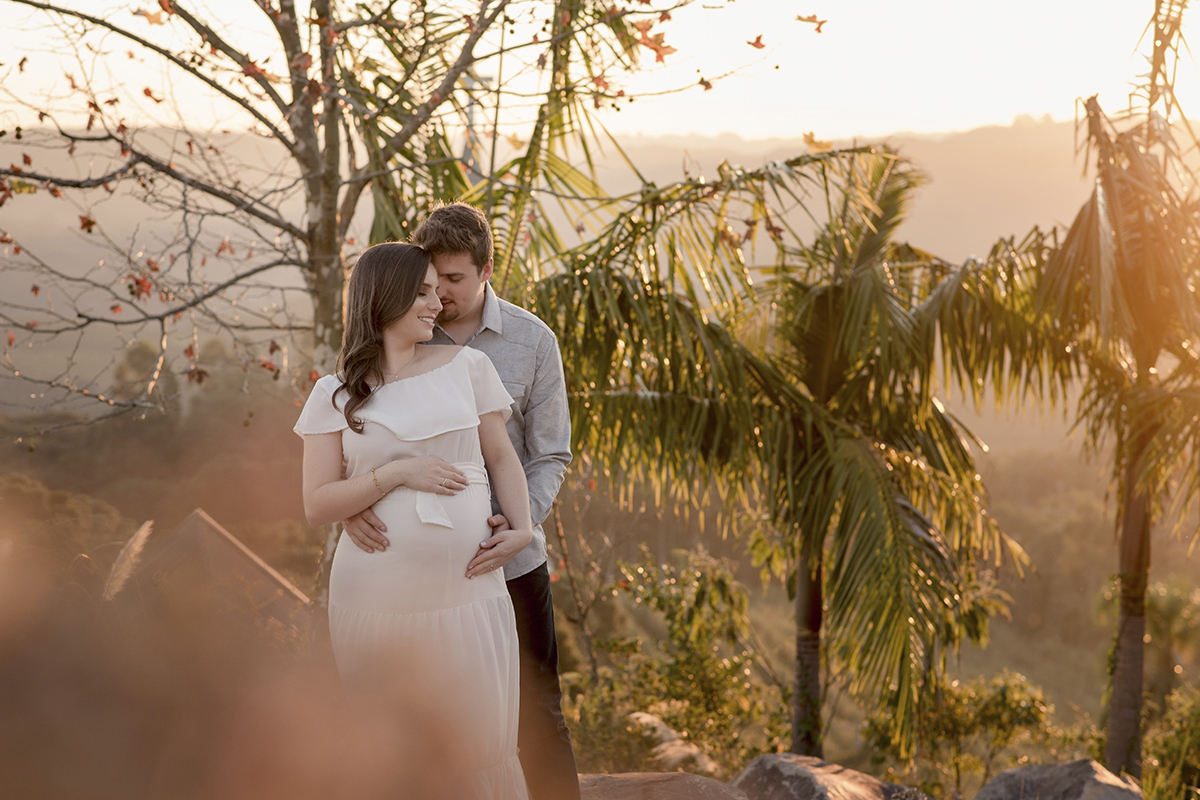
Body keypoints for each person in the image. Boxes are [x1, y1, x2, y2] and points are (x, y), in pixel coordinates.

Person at [341, 203, 580, 800]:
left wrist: (519, 526)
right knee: (429, 714)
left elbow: (549, 452)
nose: (440, 295)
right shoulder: (397, 334)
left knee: (533, 707)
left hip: (512, 559)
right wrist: (349, 502)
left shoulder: (532, 341)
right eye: (431, 279)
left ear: (487, 269)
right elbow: (353, 427)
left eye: (454, 280)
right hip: (408, 577)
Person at [295, 242, 530, 799]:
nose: (437, 303)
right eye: (421, 292)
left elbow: (501, 457)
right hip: (376, 598)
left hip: (468, 593)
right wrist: (395, 475)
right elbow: (316, 504)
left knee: (480, 740)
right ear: (385, 299)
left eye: (437, 290)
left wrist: (520, 528)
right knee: (391, 744)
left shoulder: (469, 367)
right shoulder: (334, 393)